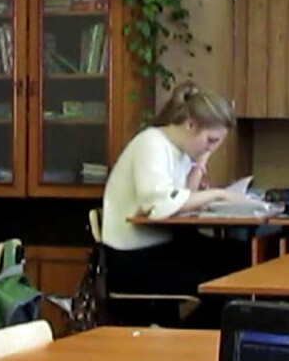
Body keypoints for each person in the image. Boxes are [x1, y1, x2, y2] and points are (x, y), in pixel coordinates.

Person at [100, 81, 252, 316]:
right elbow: (159, 205)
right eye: (211, 141)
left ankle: (207, 333)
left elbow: (184, 196)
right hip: (134, 257)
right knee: (224, 287)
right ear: (190, 125)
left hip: (164, 244)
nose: (210, 148)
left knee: (244, 259)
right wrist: (218, 194)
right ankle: (199, 336)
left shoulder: (180, 150)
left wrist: (200, 162)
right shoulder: (151, 143)